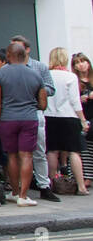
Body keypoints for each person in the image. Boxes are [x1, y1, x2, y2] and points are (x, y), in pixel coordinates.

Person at [0, 42, 48, 206]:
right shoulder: (36, 75)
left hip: (8, 119)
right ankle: (24, 196)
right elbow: (43, 104)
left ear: (8, 55)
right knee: (27, 155)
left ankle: (15, 192)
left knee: (12, 156)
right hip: (29, 118)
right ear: (24, 56)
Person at [12, 35, 58, 201]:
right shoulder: (8, 67)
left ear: (27, 49)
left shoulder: (38, 67)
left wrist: (34, 90)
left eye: (18, 47)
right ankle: (18, 187)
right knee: (15, 152)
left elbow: (51, 88)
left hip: (35, 111)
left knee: (39, 149)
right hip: (15, 112)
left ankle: (44, 186)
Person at [44, 47, 87, 195]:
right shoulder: (70, 77)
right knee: (74, 151)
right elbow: (75, 101)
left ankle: (52, 183)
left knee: (52, 150)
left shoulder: (46, 75)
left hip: (49, 115)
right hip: (69, 116)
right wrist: (82, 119)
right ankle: (81, 186)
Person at [73, 52, 93, 191]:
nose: (81, 64)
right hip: (82, 116)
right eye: (78, 62)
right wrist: (80, 99)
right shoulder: (74, 81)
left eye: (83, 61)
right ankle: (87, 176)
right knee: (84, 145)